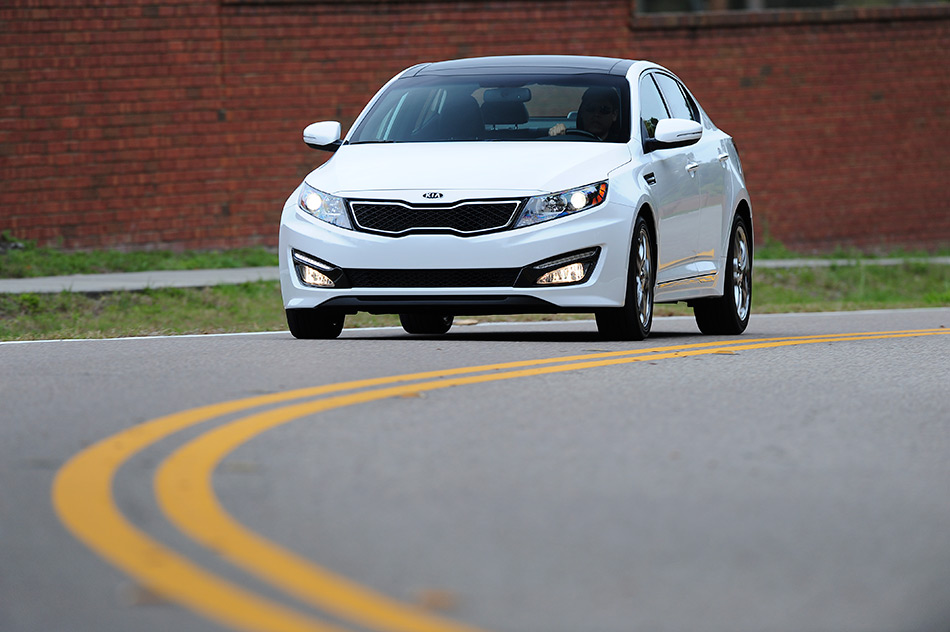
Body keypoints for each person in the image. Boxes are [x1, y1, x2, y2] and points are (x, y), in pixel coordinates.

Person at [548, 86, 621, 141]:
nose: (596, 114)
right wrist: (556, 137)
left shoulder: (624, 145)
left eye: (603, 110)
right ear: (582, 112)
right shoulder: (568, 140)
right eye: (590, 108)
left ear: (614, 115)